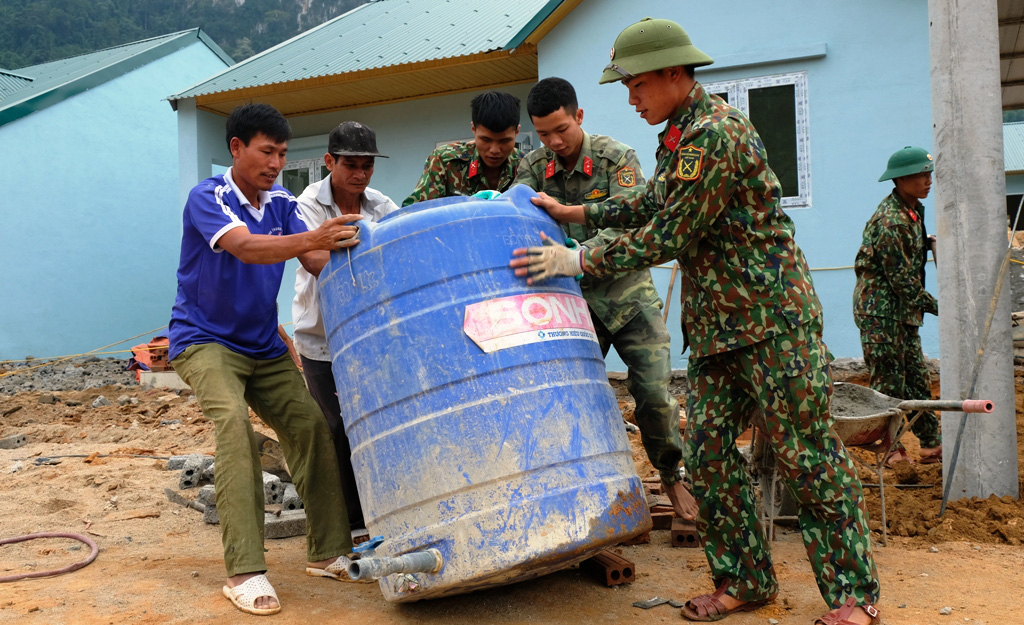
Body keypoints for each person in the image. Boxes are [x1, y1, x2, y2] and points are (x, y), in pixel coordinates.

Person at [510, 18, 881, 625]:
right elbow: (655, 199)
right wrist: (576, 208)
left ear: (673, 73)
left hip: (771, 324)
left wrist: (577, 257)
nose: (630, 98)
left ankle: (854, 597)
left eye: (635, 85)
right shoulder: (678, 137)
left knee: (805, 455)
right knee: (707, 458)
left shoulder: (717, 134)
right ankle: (745, 581)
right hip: (716, 331)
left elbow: (670, 231)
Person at [168, 103, 362, 616]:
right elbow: (248, 248)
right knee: (232, 426)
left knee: (312, 427)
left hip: (264, 345)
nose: (276, 163)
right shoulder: (207, 197)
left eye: (281, 153)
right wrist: (316, 236)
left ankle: (329, 552)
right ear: (237, 148)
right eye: (266, 151)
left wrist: (361, 260)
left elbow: (316, 260)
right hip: (204, 342)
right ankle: (245, 571)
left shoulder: (281, 203)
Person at [513, 76, 696, 521]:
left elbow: (628, 224)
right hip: (569, 308)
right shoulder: (533, 169)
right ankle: (582, 494)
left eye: (562, 129)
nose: (554, 141)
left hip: (627, 298)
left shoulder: (617, 158)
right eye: (543, 134)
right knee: (566, 402)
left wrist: (575, 255)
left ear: (579, 116)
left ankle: (672, 477)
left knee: (653, 394)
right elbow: (518, 222)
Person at [291, 121, 400, 532]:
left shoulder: (381, 206)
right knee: (334, 427)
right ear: (328, 162)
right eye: (350, 165)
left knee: (373, 421)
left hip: (369, 336)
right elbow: (313, 260)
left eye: (366, 167)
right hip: (320, 338)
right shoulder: (306, 206)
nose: (359, 174)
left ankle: (379, 509)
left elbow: (398, 250)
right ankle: (346, 521)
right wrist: (366, 266)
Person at [853, 146, 941, 465]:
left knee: (917, 378)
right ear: (902, 179)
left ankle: (931, 444)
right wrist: (941, 307)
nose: (928, 180)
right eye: (921, 174)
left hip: (903, 313)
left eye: (929, 173)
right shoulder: (890, 221)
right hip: (880, 313)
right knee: (888, 384)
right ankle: (890, 449)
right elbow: (901, 280)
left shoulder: (913, 209)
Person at [403, 91, 523, 205]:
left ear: (517, 131)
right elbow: (414, 212)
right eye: (486, 140)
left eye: (504, 141)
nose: (494, 150)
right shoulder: (445, 161)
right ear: (473, 129)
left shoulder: (526, 165)